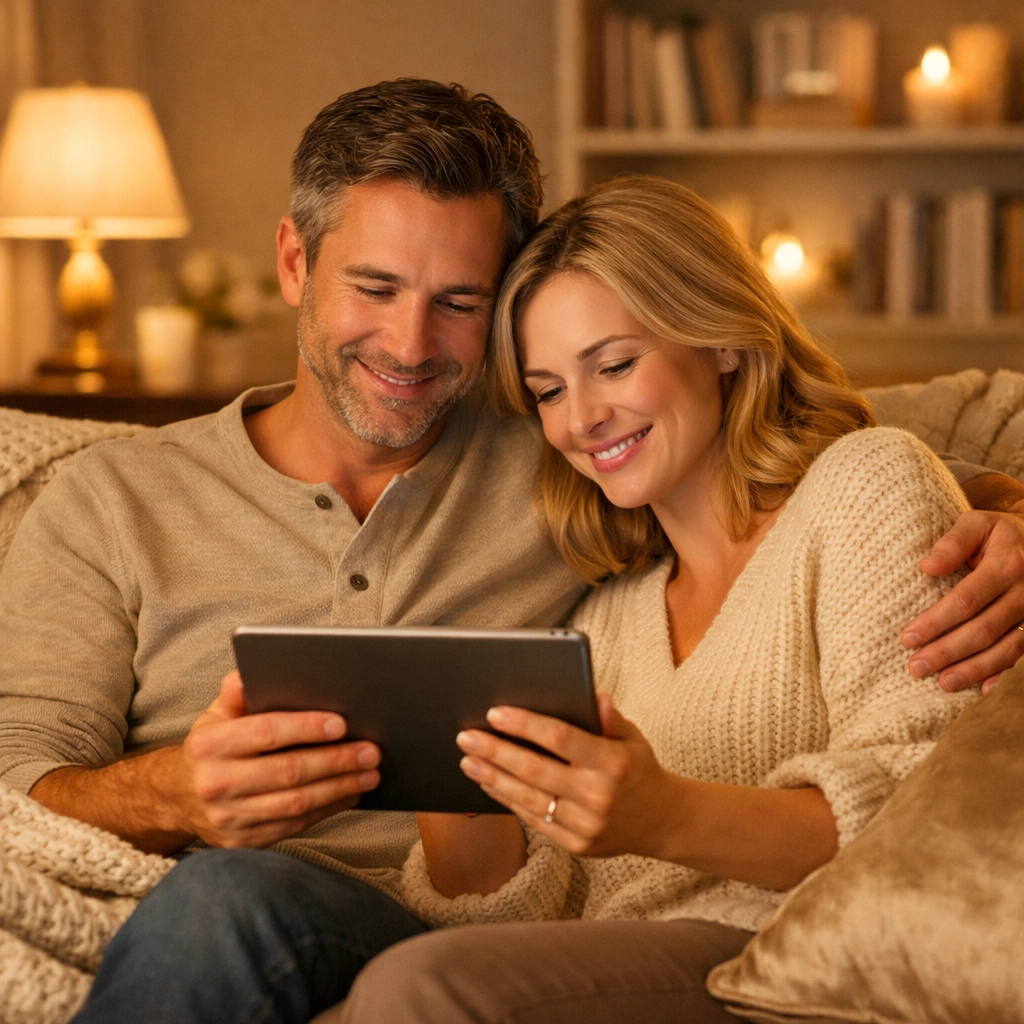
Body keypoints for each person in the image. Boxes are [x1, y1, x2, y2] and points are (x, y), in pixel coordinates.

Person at [0, 80, 1018, 1024]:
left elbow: (865, 442)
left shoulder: (564, 470)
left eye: (458, 301)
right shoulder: (113, 497)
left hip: (479, 937)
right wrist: (175, 791)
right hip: (230, 911)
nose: (408, 345)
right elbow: (13, 785)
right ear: (293, 262)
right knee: (228, 900)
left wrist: (1004, 507)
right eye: (375, 286)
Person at [332, 175, 995, 1024]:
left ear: (720, 341)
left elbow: (925, 816)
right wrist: (441, 758)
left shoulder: (865, 490)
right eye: (548, 392)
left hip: (792, 963)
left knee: (419, 990)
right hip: (618, 970)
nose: (582, 421)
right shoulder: (606, 612)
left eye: (613, 365)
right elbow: (522, 915)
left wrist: (665, 814)